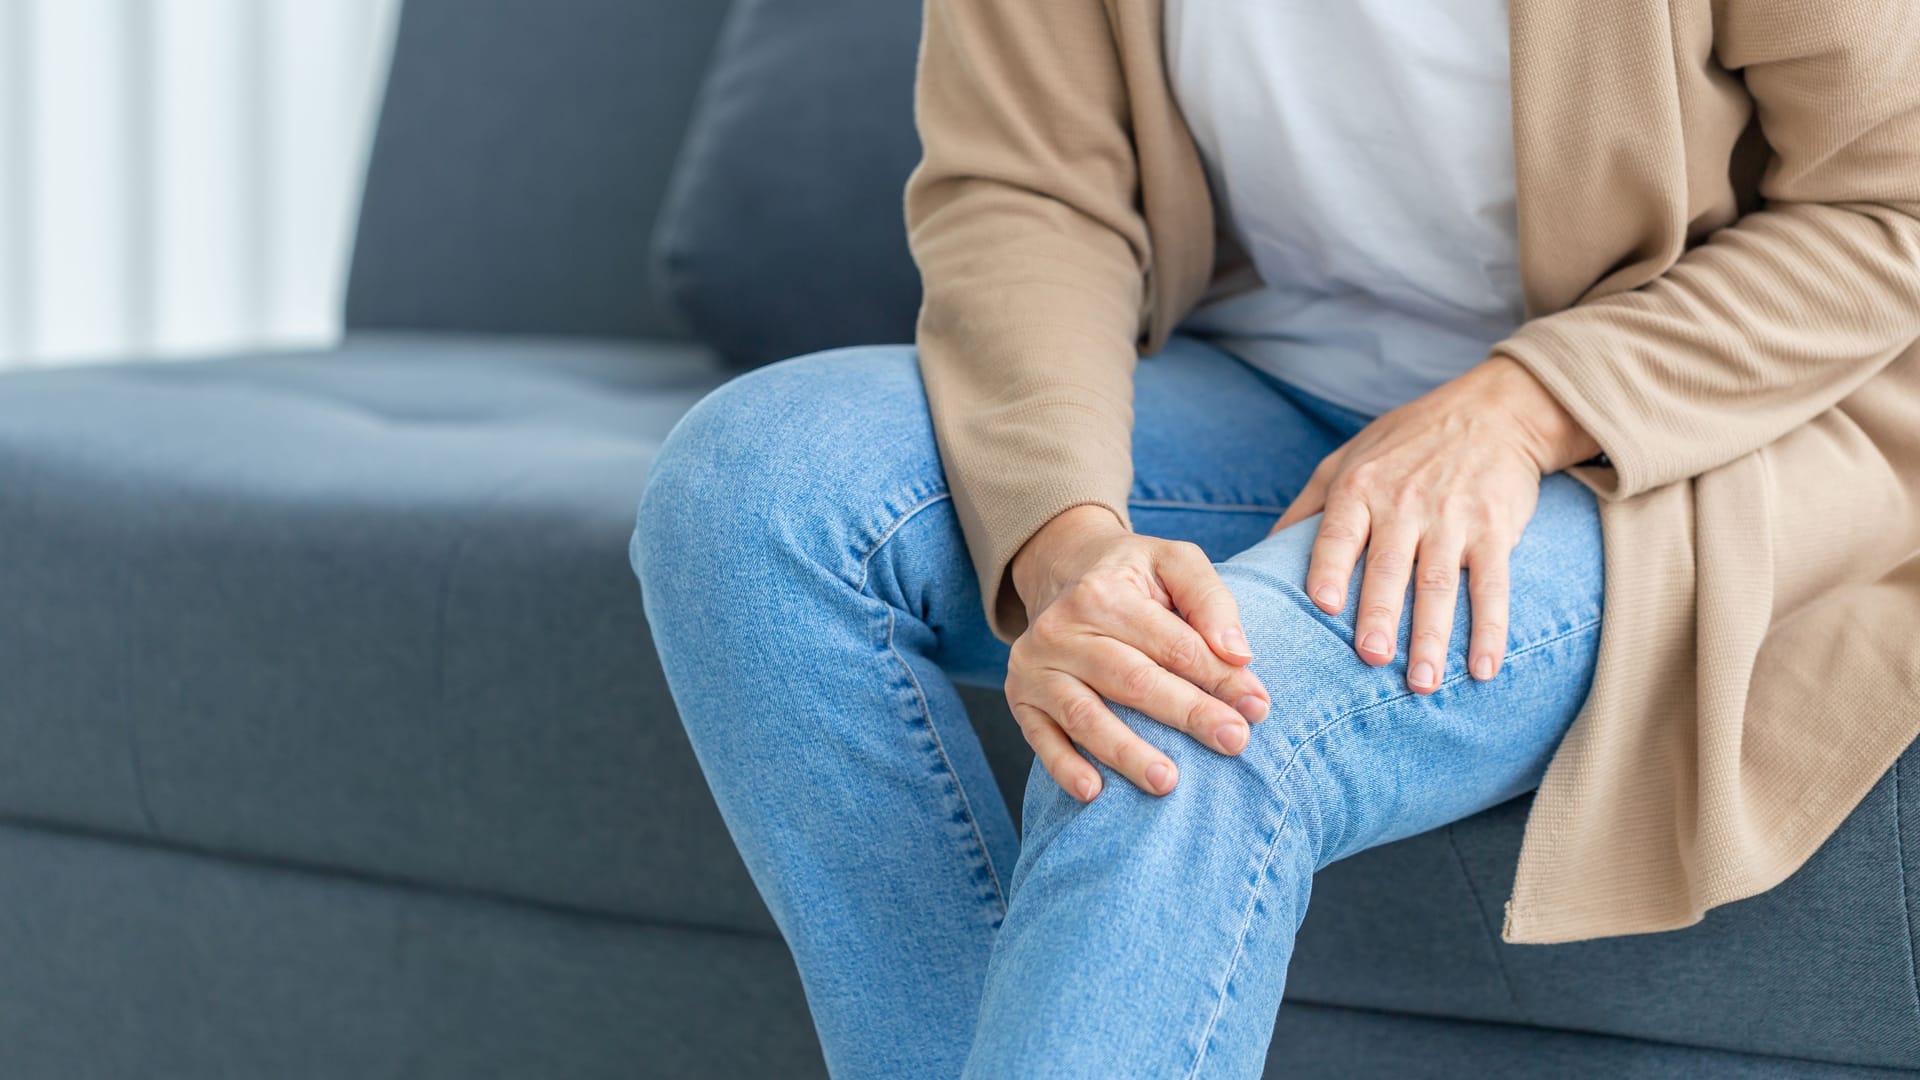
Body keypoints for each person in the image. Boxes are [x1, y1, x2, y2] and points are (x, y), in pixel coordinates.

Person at [631, 0, 1920, 1076]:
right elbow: (1026, 187)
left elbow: (1892, 206)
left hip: (1665, 437)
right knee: (753, 500)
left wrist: (1524, 406)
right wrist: (1071, 548)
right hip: (1266, 395)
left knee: (1179, 721)